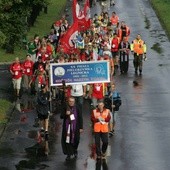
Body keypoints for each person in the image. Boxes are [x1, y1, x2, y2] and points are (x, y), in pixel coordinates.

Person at [60, 96, 83, 161]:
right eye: (70, 101)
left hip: (76, 126)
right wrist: (65, 114)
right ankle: (69, 154)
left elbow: (80, 117)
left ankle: (75, 149)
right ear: (68, 101)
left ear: (74, 102)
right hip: (67, 127)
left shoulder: (77, 107)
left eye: (73, 102)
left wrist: (81, 127)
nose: (71, 103)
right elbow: (61, 116)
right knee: (68, 140)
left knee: (76, 140)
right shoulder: (65, 107)